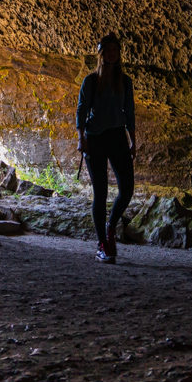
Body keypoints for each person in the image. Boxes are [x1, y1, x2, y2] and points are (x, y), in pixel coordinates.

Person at [76, 32, 136, 264]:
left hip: (118, 137)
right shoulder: (91, 81)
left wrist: (133, 139)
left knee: (127, 189)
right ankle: (103, 244)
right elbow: (81, 109)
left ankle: (110, 224)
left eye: (115, 50)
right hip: (96, 138)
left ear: (119, 53)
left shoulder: (125, 81)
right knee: (100, 193)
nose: (111, 54)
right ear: (101, 54)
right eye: (107, 50)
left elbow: (129, 111)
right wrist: (81, 137)